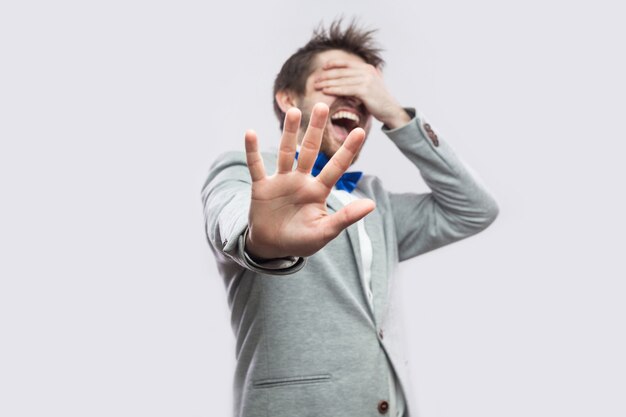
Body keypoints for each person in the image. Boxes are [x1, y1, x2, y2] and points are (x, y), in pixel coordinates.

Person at [201, 19, 499, 417]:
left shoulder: (373, 201)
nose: (355, 101)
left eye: (365, 93)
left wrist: (393, 111)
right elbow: (230, 215)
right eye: (339, 83)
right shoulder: (246, 172)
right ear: (288, 99)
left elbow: (474, 208)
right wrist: (261, 238)